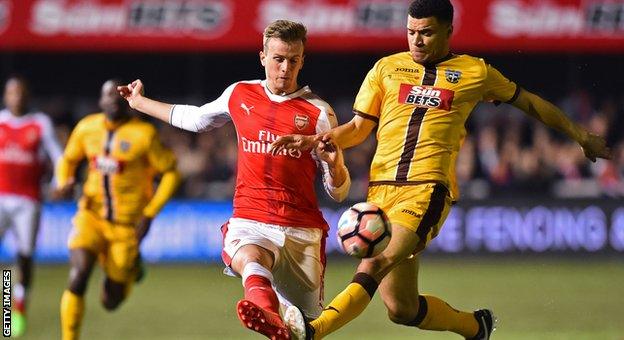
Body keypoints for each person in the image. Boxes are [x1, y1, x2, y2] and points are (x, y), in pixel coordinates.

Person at [270, 1, 612, 339]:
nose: (416, 40)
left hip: (426, 190)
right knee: (401, 308)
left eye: (426, 32)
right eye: (410, 32)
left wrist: (580, 135)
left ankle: (313, 330)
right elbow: (359, 128)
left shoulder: (475, 72)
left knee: (373, 264)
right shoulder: (386, 68)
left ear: (449, 30)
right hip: (380, 191)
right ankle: (476, 327)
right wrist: (318, 139)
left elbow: (530, 102)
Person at [117, 19, 351, 340]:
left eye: (293, 60)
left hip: (301, 228)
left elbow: (338, 192)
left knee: (305, 331)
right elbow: (196, 119)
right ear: (263, 57)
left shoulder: (319, 113)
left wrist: (335, 163)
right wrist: (139, 102)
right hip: (251, 217)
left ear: (302, 60)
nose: (285, 68)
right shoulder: (240, 94)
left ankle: (278, 327)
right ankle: (267, 315)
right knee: (251, 260)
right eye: (278, 59)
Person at [56, 79, 181, 340]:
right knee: (78, 275)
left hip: (126, 227)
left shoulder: (143, 135)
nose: (113, 100)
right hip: (91, 217)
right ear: (100, 101)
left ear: (126, 101)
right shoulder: (87, 128)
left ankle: (133, 268)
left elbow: (170, 173)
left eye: (117, 96)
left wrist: (150, 213)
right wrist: (63, 181)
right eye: (107, 96)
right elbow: (67, 160)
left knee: (110, 301)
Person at [0, 76, 63, 336]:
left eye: (21, 92)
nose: (16, 97)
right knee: (5, 264)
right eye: (12, 92)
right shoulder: (0, 121)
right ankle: (6, 311)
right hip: (1, 197)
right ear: (6, 96)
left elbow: (59, 157)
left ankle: (18, 310)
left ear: (27, 96)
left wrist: (59, 183)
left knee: (24, 258)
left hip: (28, 201)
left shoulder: (40, 123)